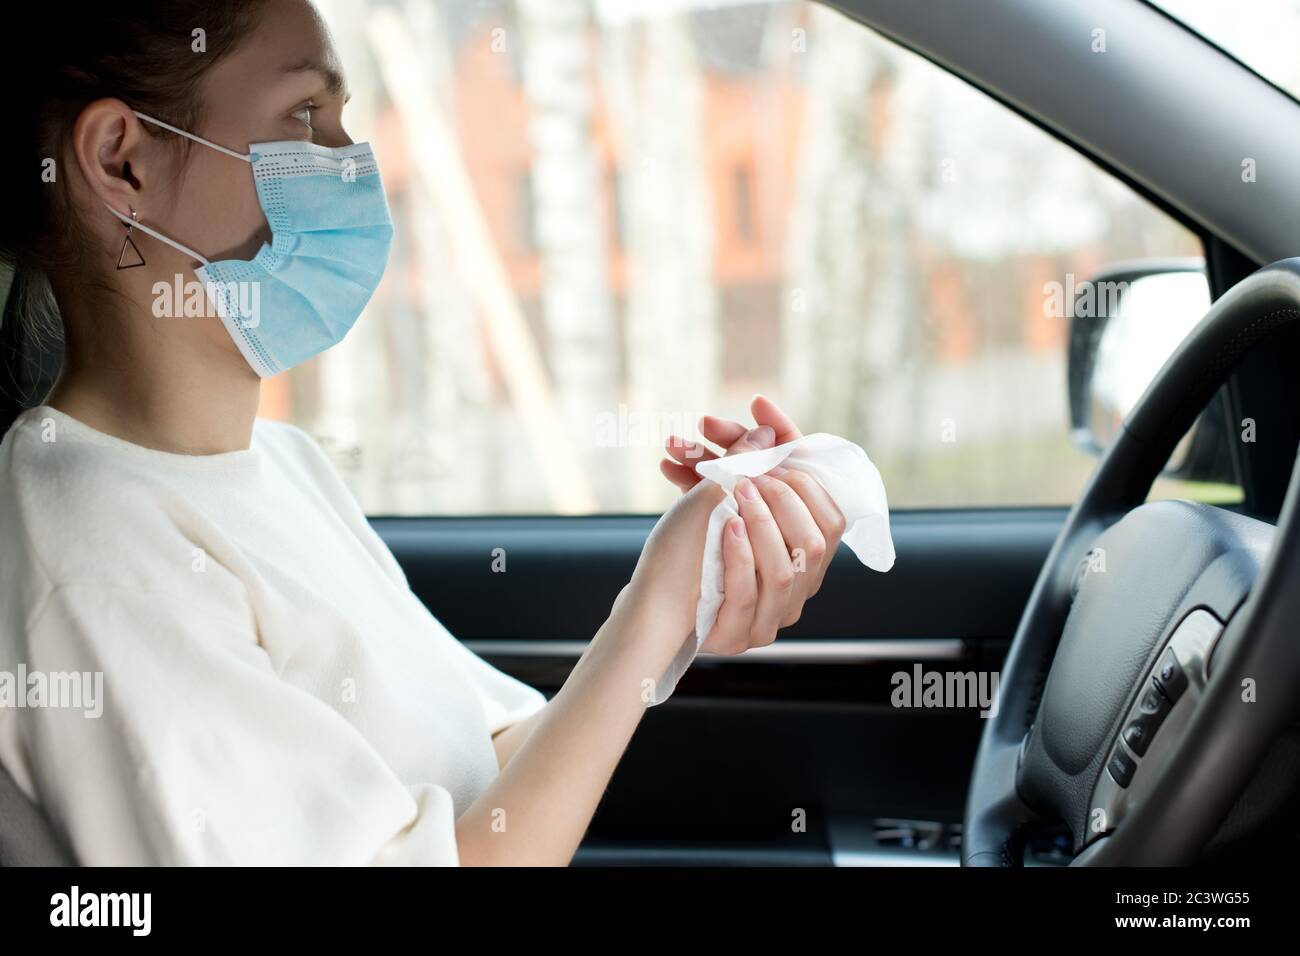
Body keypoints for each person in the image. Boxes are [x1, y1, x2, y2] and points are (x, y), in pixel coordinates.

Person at [0, 0, 846, 865]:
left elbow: (491, 780)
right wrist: (655, 603)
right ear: (122, 161)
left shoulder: (279, 467)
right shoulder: (96, 552)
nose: (353, 162)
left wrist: (691, 580)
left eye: (343, 118)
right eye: (304, 114)